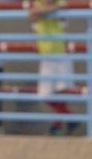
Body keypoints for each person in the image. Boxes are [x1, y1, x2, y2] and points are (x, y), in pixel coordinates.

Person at [29, 0, 76, 135]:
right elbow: (32, 15)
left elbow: (62, 11)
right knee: (45, 94)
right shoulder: (39, 2)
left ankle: (58, 125)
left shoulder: (61, 2)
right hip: (46, 54)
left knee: (60, 91)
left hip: (60, 52)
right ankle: (70, 118)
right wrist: (47, 10)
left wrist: (44, 10)